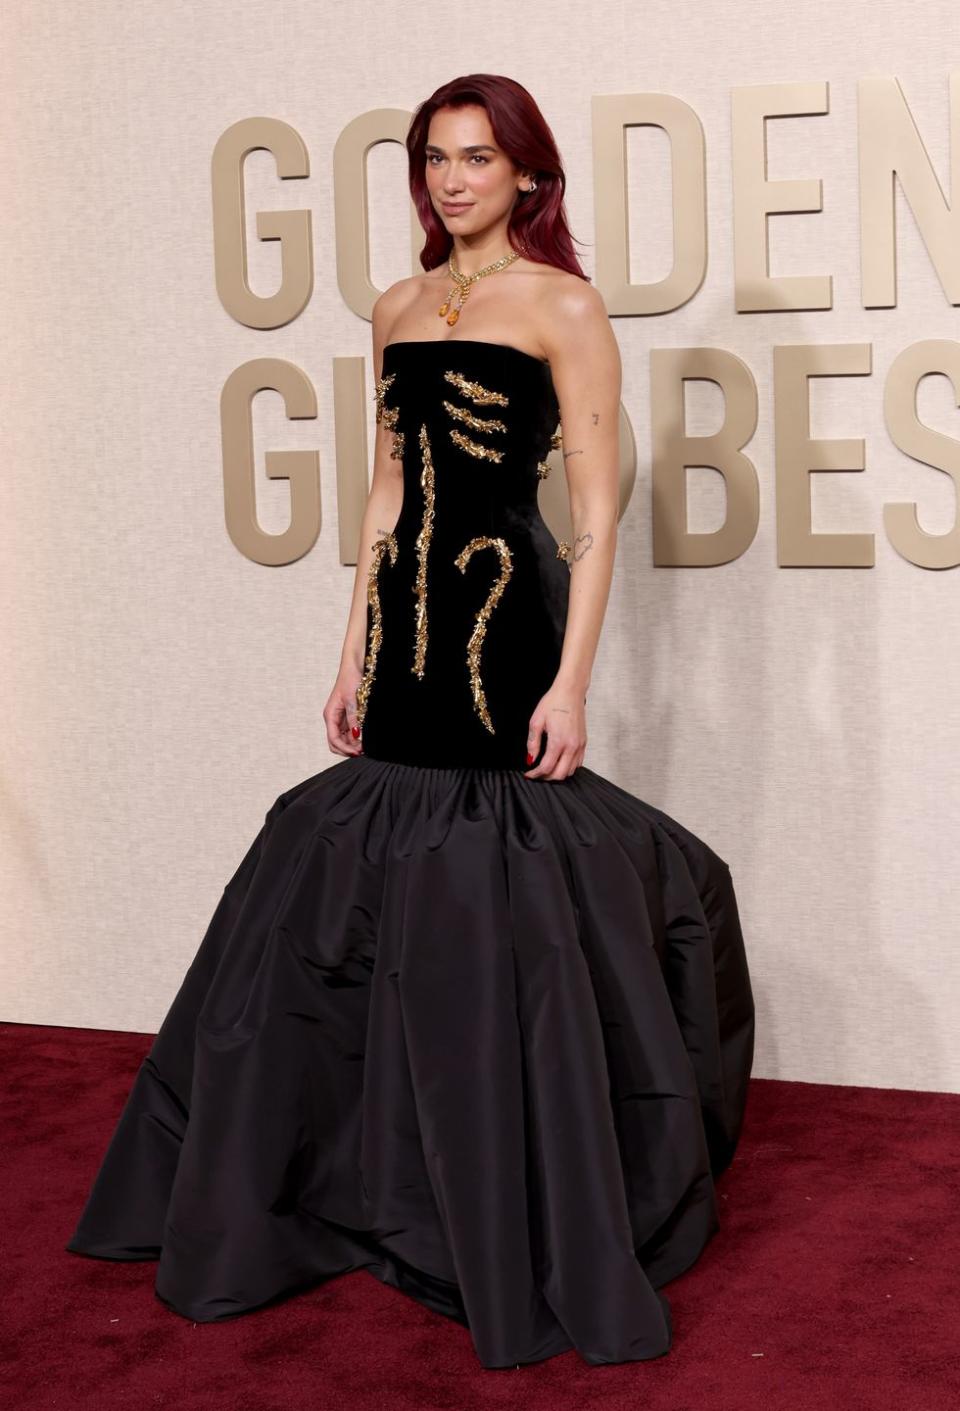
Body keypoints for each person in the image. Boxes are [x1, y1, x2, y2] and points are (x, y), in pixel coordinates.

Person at [66, 73, 755, 1370]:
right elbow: (386, 490)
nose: (451, 179)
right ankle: (374, 1172)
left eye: (478, 158)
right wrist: (351, 650)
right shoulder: (393, 307)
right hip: (407, 627)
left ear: (528, 178)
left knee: (489, 880)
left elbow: (599, 510)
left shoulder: (564, 306)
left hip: (509, 625)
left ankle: (501, 1178)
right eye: (435, 157)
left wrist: (574, 682)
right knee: (359, 867)